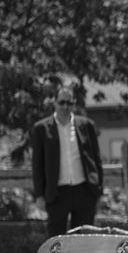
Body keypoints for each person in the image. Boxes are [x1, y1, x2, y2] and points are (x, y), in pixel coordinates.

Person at [31, 86, 103, 237]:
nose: (65, 107)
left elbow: (96, 160)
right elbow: (37, 165)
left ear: (74, 104)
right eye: (62, 102)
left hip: (84, 190)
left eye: (69, 103)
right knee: (56, 242)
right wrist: (39, 195)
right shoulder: (41, 129)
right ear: (55, 103)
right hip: (57, 193)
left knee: (84, 239)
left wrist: (99, 191)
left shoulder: (86, 125)